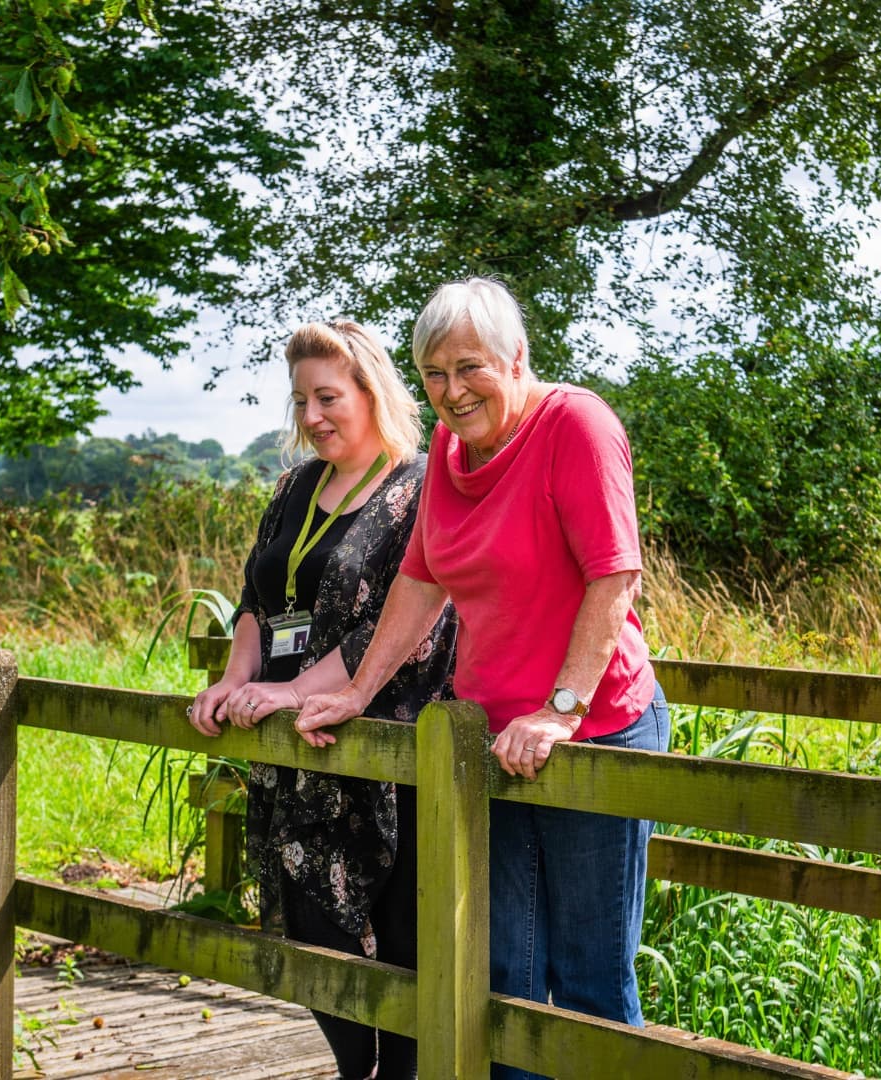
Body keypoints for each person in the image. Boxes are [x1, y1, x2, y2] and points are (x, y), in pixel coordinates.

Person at [296, 278, 670, 1080]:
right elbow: (421, 581)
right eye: (434, 373)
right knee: (505, 978)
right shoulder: (448, 453)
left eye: (471, 368)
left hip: (592, 727)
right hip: (492, 739)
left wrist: (560, 711)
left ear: (517, 359)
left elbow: (615, 578)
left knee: (589, 982)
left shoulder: (575, 424)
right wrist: (359, 691)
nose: (452, 390)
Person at [187, 320, 457, 1080]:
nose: (311, 417)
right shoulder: (293, 487)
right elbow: (256, 600)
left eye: (328, 397)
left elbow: (398, 620)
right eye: (300, 399)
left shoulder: (420, 485)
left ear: (372, 392)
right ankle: (354, 1069)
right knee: (310, 927)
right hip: (295, 742)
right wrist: (237, 683)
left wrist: (294, 690)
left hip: (385, 744)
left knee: (403, 942)